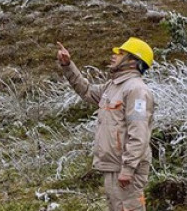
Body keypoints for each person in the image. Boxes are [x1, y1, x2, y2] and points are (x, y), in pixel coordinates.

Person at [56, 38, 155, 211]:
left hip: (125, 169)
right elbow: (86, 91)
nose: (114, 55)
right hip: (114, 166)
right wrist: (68, 65)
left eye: (121, 53)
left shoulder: (136, 90)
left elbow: (139, 134)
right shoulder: (113, 86)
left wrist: (128, 168)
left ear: (133, 61)